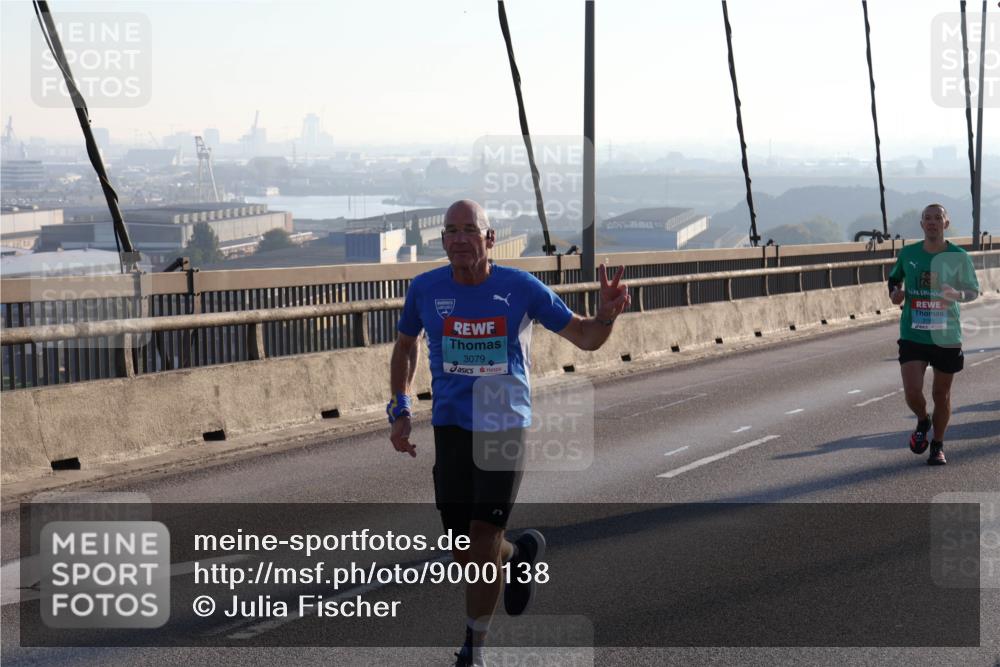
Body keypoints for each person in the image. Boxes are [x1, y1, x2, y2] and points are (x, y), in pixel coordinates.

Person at [387, 200, 630, 666]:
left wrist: (605, 317)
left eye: (470, 230)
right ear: (443, 241)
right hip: (451, 424)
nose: (460, 239)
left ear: (490, 238)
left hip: (503, 423)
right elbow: (406, 346)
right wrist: (400, 406)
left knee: (481, 539)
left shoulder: (520, 287)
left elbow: (584, 336)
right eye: (451, 231)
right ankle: (517, 554)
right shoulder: (425, 289)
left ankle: (473, 650)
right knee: (466, 549)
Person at [888, 203, 979, 465]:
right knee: (912, 391)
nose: (932, 222)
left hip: (946, 336)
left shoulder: (959, 256)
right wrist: (894, 293)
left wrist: (957, 294)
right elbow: (894, 278)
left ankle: (937, 445)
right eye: (927, 218)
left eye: (937, 218)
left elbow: (973, 291)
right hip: (913, 333)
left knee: (941, 394)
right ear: (921, 224)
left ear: (946, 224)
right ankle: (922, 419)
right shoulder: (909, 253)